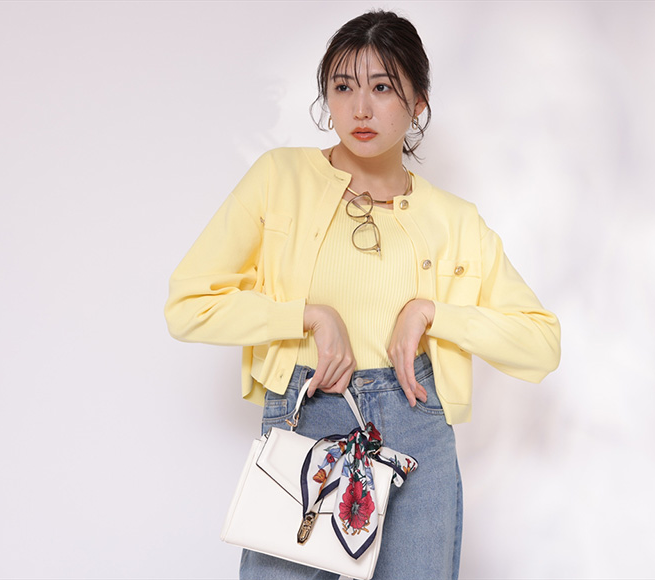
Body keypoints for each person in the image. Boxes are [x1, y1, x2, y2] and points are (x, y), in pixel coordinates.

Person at [164, 10, 560, 580]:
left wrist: (432, 314)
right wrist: (306, 316)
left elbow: (542, 343)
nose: (361, 109)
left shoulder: (455, 221)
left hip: (416, 424)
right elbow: (189, 305)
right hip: (306, 414)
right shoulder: (280, 179)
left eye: (383, 87)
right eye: (343, 87)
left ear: (419, 102)